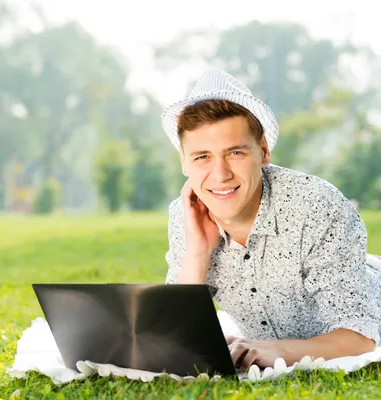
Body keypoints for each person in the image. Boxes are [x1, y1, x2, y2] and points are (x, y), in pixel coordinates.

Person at [161, 68, 381, 372]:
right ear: (184, 162)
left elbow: (361, 340)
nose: (221, 174)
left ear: (263, 151)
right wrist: (198, 253)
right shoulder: (187, 213)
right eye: (202, 157)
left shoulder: (316, 205)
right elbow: (169, 336)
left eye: (235, 153)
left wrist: (275, 350)